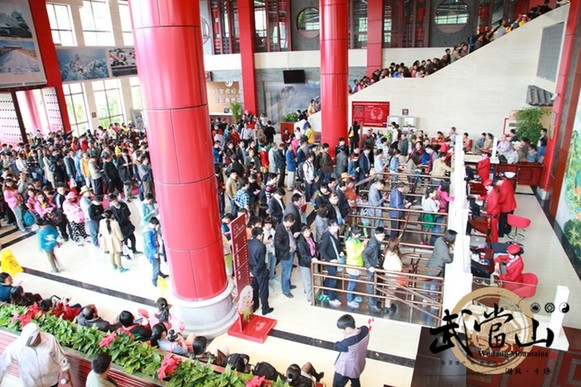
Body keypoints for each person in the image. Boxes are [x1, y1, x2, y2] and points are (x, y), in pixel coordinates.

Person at [0, 323, 73, 386]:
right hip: (31, 384)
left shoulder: (50, 339)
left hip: (51, 382)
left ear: (39, 334)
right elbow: (3, 363)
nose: (30, 344)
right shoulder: (16, 347)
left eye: (34, 341)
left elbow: (60, 356)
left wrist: (65, 370)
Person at [333, 314, 370, 387]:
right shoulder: (365, 330)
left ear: (349, 328)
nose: (342, 331)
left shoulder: (347, 343)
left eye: (343, 329)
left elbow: (336, 346)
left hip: (345, 369)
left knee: (337, 385)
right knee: (355, 381)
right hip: (358, 365)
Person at [248, 227, 274, 315]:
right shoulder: (261, 246)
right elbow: (261, 262)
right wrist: (256, 271)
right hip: (260, 272)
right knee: (263, 291)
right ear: (259, 235)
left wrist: (251, 271)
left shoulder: (248, 243)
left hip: (251, 271)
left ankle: (255, 306)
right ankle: (265, 309)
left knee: (254, 289)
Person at [319, 220, 343, 307]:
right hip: (331, 261)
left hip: (335, 259)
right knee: (333, 278)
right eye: (335, 226)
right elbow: (322, 250)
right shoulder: (327, 236)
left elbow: (338, 245)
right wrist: (329, 260)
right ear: (329, 227)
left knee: (330, 276)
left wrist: (341, 251)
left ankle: (325, 292)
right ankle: (332, 298)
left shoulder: (335, 233)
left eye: (337, 226)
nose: (337, 227)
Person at [362, 227, 386, 313]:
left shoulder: (376, 242)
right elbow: (364, 255)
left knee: (373, 284)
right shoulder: (373, 244)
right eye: (380, 236)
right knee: (371, 285)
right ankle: (372, 304)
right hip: (372, 266)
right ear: (375, 235)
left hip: (374, 264)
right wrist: (369, 266)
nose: (382, 238)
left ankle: (373, 301)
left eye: (383, 236)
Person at [274, 213, 297, 298]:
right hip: (286, 254)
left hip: (291, 252)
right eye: (292, 223)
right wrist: (288, 248)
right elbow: (277, 244)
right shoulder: (280, 230)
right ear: (289, 221)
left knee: (289, 270)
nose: (293, 224)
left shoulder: (287, 228)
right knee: (286, 272)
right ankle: (285, 290)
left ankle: (288, 284)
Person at [143, 217, 169, 287]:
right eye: (154, 225)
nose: (155, 226)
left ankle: (160, 274)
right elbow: (149, 244)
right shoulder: (147, 232)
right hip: (151, 252)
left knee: (158, 263)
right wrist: (154, 252)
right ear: (150, 223)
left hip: (155, 250)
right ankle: (154, 280)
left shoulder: (152, 229)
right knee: (155, 266)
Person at [345, 226, 366, 309]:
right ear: (353, 234)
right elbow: (353, 256)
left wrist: (363, 244)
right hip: (353, 265)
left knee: (354, 283)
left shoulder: (356, 240)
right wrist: (362, 247)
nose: (359, 235)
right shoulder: (350, 243)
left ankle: (353, 297)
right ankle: (350, 300)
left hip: (357, 264)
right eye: (358, 234)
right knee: (352, 283)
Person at [296, 225, 317, 303]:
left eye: (309, 231)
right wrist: (311, 259)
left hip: (311, 261)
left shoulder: (311, 237)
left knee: (308, 278)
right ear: (302, 233)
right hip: (305, 263)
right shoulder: (301, 242)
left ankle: (306, 290)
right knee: (308, 280)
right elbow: (303, 255)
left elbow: (314, 245)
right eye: (306, 232)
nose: (308, 233)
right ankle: (310, 297)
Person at [382, 238, 404, 315]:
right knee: (390, 291)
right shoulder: (395, 256)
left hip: (388, 274)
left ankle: (389, 304)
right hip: (393, 276)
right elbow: (399, 267)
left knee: (389, 290)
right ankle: (387, 306)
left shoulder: (387, 252)